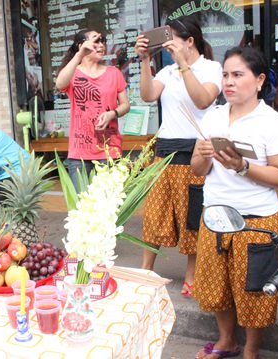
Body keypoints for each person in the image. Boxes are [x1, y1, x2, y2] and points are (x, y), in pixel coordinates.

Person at [191, 46, 278, 359]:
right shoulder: (213, 117)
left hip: (256, 220)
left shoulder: (274, 122)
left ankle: (250, 349)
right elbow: (197, 170)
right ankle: (226, 340)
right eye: (225, 75)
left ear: (259, 79)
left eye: (238, 74)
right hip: (215, 215)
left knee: (254, 290)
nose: (229, 82)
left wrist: (243, 167)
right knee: (215, 285)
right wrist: (204, 156)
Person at [134, 17, 222, 297]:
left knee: (191, 217)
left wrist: (184, 64)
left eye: (172, 37)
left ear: (190, 41)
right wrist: (145, 61)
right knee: (155, 214)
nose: (168, 43)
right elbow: (148, 95)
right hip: (165, 149)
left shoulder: (212, 68)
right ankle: (146, 270)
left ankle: (191, 275)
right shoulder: (167, 71)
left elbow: (203, 100)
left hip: (195, 150)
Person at [55, 29, 130, 189]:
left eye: (102, 40)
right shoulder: (73, 72)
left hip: (109, 149)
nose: (101, 45)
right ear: (81, 45)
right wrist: (79, 55)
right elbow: (60, 84)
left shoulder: (114, 73)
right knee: (81, 207)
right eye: (95, 41)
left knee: (110, 206)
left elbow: (125, 105)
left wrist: (112, 113)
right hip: (80, 152)